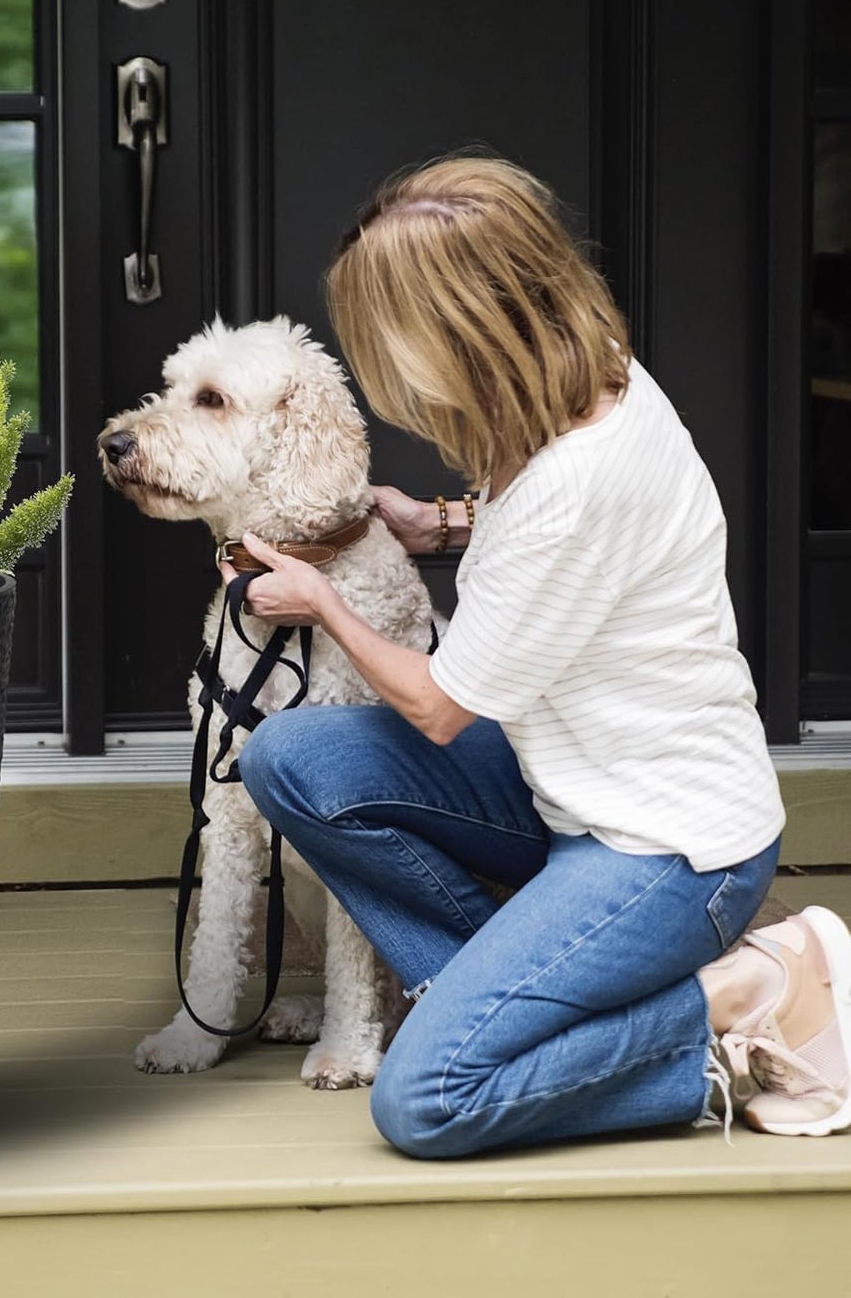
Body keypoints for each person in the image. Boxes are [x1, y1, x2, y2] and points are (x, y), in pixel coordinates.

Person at [231, 155, 851, 1157]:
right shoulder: (584, 363)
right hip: (557, 779)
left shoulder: (574, 485)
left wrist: (322, 604)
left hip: (667, 854)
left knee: (426, 1101)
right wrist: (436, 521)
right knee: (287, 760)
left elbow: (438, 707)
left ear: (454, 329)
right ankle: (491, 1000)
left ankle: (753, 989)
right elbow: (556, 552)